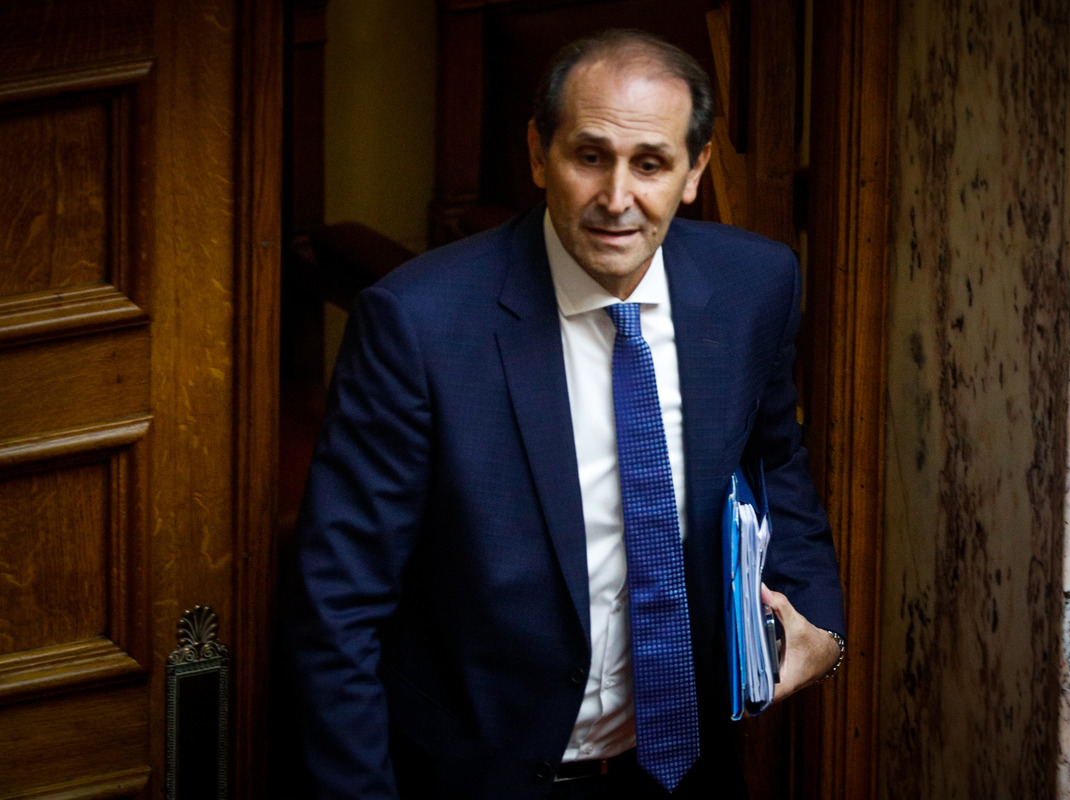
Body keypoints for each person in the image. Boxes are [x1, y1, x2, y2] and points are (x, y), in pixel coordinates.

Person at [287, 28, 845, 800]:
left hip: (688, 769)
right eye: (589, 156)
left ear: (695, 170)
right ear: (537, 154)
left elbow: (777, 458)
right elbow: (337, 606)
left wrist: (817, 618)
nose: (617, 198)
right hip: (482, 778)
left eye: (650, 164)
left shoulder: (755, 285)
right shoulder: (417, 325)